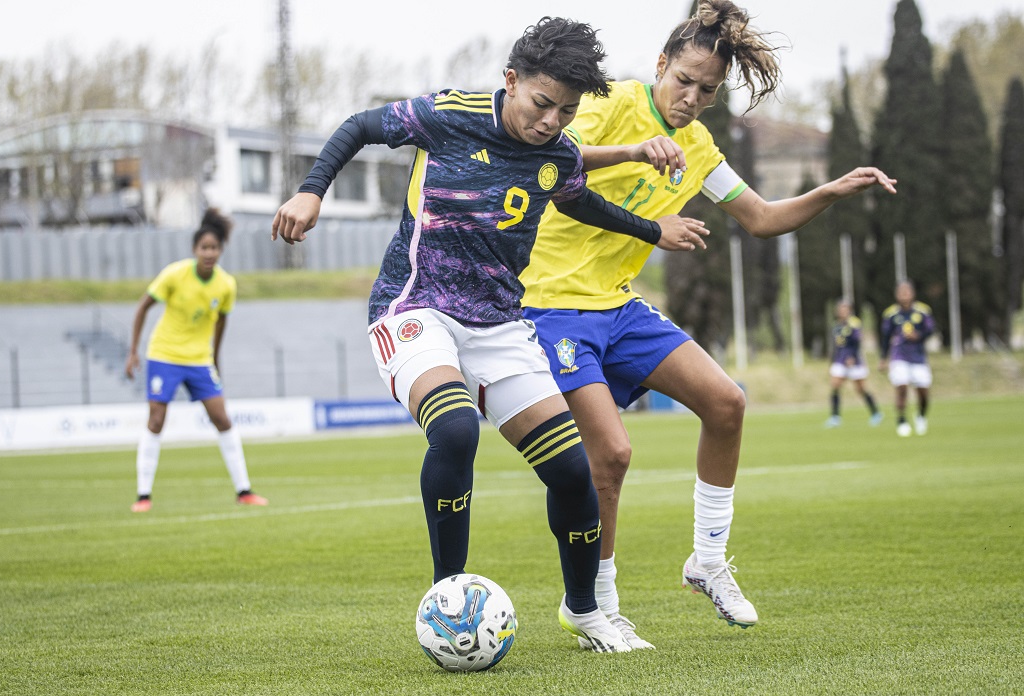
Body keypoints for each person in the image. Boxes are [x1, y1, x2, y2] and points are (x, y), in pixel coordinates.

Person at [271, 17, 705, 653]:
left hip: (500, 323)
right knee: (453, 428)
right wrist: (311, 193)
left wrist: (649, 230)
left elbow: (577, 199)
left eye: (566, 110)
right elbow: (361, 126)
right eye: (541, 102)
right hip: (414, 307)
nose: (551, 121)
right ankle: (450, 599)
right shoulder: (449, 114)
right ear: (511, 80)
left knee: (572, 470)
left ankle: (585, 612)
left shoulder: (555, 154)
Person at [518, 0, 897, 646]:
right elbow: (554, 171)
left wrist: (830, 192)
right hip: (549, 306)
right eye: (683, 80)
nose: (691, 97)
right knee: (609, 455)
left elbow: (762, 217)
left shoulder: (698, 149)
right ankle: (593, 608)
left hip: (616, 305)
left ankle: (708, 562)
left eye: (707, 90)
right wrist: (637, 153)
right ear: (660, 64)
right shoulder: (611, 102)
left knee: (726, 403)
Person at [125, 208, 268, 513]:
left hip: (199, 361)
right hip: (164, 355)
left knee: (222, 419)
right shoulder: (175, 274)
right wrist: (133, 351)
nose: (209, 253)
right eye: (204, 247)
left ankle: (244, 491)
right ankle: (143, 496)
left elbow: (220, 323)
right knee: (156, 420)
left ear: (220, 251)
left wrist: (215, 359)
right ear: (194, 250)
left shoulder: (226, 285)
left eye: (214, 248)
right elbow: (142, 307)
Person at [879, 280, 935, 438]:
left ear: (912, 293)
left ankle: (921, 416)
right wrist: (883, 358)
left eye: (907, 291)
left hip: (918, 357)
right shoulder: (891, 314)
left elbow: (930, 331)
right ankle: (902, 420)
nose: (904, 295)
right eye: (901, 292)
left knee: (923, 392)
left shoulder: (923, 311)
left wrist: (918, 336)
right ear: (896, 294)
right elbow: (885, 338)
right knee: (901, 387)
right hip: (899, 356)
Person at [826, 299, 882, 428]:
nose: (842, 312)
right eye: (840, 309)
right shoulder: (836, 326)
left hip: (854, 362)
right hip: (840, 361)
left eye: (845, 309)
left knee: (861, 389)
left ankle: (875, 413)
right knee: (835, 385)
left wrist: (852, 356)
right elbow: (835, 345)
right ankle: (835, 417)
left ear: (849, 310)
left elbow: (857, 342)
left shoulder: (854, 324)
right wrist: (832, 359)